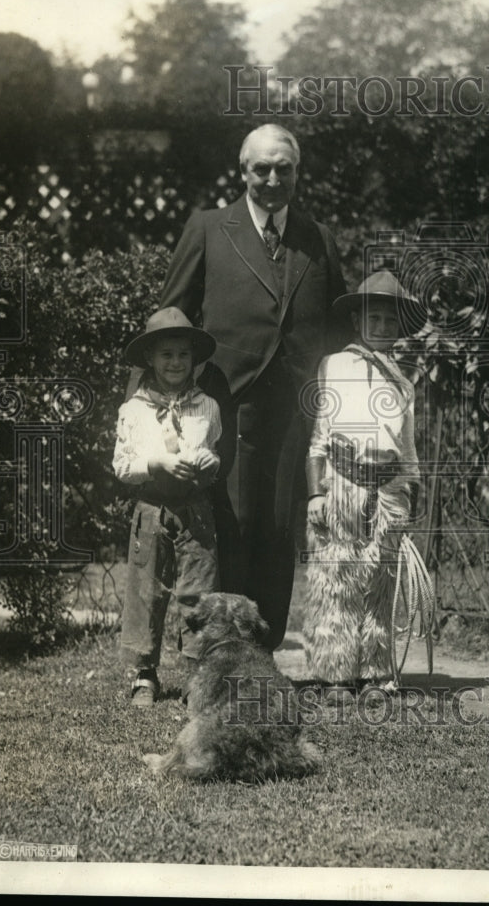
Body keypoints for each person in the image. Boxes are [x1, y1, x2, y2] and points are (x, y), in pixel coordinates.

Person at [157, 123, 348, 651]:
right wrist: (141, 401)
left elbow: (337, 333)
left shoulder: (318, 238)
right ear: (242, 172)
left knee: (278, 528)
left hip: (293, 409)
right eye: (260, 168)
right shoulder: (208, 228)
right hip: (226, 404)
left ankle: (263, 648)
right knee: (231, 524)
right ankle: (224, 646)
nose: (271, 179)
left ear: (296, 173)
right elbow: (171, 318)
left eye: (283, 168)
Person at [303, 270, 434, 697]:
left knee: (380, 584)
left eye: (389, 321)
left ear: (399, 328)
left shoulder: (403, 382)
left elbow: (408, 448)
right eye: (373, 319)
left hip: (388, 492)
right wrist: (316, 493)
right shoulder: (334, 365)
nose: (381, 328)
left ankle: (376, 673)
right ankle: (336, 675)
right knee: (336, 580)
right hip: (342, 484)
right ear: (358, 321)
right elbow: (319, 438)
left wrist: (410, 492)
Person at [113, 306, 222, 706]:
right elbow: (122, 465)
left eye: (183, 355)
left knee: (199, 589)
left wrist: (212, 463)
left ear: (194, 360)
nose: (175, 363)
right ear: (150, 359)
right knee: (147, 590)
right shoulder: (134, 410)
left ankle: (197, 675)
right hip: (151, 508)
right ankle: (145, 674)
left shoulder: (206, 406)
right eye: (166, 355)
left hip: (196, 511)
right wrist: (154, 463)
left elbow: (211, 453)